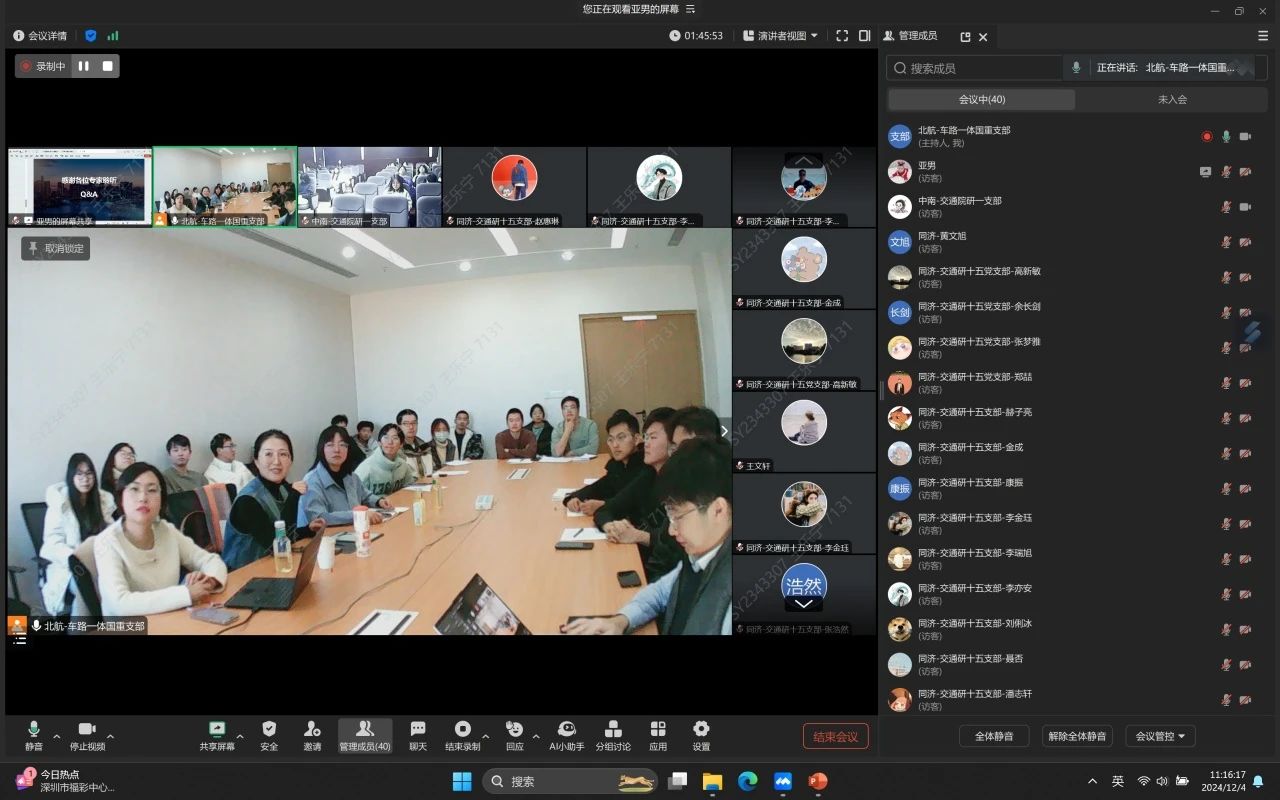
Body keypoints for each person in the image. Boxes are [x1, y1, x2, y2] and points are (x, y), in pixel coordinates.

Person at [564, 437, 732, 635]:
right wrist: (620, 621)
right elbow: (661, 592)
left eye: (678, 516)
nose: (671, 530)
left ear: (718, 511)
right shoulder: (701, 556)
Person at [94, 462, 228, 616]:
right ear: (121, 498)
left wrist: (209, 581)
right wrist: (186, 594)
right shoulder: (107, 542)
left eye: (152, 490)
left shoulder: (166, 531)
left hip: (171, 619)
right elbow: (120, 603)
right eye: (134, 489)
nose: (143, 498)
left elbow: (210, 560)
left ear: (161, 500)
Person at [593, 407, 679, 580]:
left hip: (665, 575)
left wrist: (639, 536)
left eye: (653, 437)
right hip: (639, 560)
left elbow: (676, 545)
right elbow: (605, 510)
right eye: (646, 437)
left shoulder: (681, 483)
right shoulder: (648, 474)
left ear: (674, 443)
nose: (646, 443)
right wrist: (611, 527)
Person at [221, 430, 324, 571]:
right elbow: (277, 545)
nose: (276, 461)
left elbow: (283, 534)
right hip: (243, 575)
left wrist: (307, 530)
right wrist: (293, 497)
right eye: (269, 454)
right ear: (256, 461)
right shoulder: (247, 500)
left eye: (283, 454)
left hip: (272, 568)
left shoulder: (282, 488)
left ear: (290, 461)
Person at [41, 454, 116, 616]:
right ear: (71, 477)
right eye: (79, 474)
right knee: (86, 587)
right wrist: (76, 557)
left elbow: (111, 534)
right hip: (71, 567)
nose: (85, 479)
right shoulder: (60, 503)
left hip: (100, 562)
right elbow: (52, 543)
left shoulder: (102, 502)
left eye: (89, 473)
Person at [298, 426, 392, 528]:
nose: (337, 450)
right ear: (322, 449)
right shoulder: (311, 481)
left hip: (353, 530)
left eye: (342, 445)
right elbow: (319, 518)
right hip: (326, 536)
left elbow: (365, 495)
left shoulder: (351, 476)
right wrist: (358, 515)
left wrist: (379, 501)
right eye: (330, 445)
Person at [565, 409, 645, 515]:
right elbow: (600, 487)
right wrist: (573, 498)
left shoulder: (646, 466)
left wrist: (603, 506)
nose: (615, 445)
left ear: (637, 439)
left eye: (621, 438)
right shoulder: (618, 465)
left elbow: (635, 504)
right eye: (611, 439)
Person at [354, 423, 417, 496]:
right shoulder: (366, 467)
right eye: (386, 437)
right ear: (379, 443)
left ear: (401, 444)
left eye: (395, 438)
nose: (390, 442)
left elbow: (411, 488)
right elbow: (354, 495)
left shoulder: (403, 465)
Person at [397, 408, 431, 478]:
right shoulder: (396, 449)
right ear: (399, 427)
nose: (411, 427)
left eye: (414, 423)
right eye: (406, 423)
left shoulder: (424, 446)